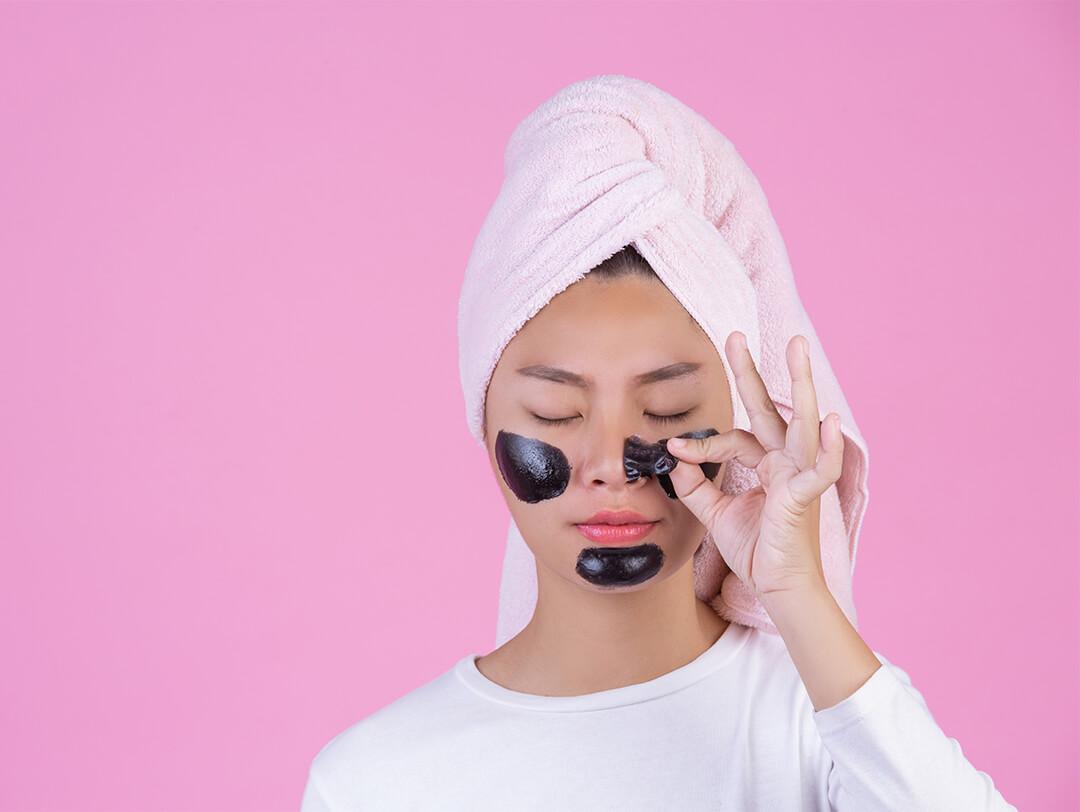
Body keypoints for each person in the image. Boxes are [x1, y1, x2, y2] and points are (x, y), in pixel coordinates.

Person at [299, 246, 1016, 811]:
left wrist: (799, 593)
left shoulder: (823, 722)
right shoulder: (375, 780)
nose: (613, 463)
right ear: (484, 428)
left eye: (669, 409)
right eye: (555, 412)